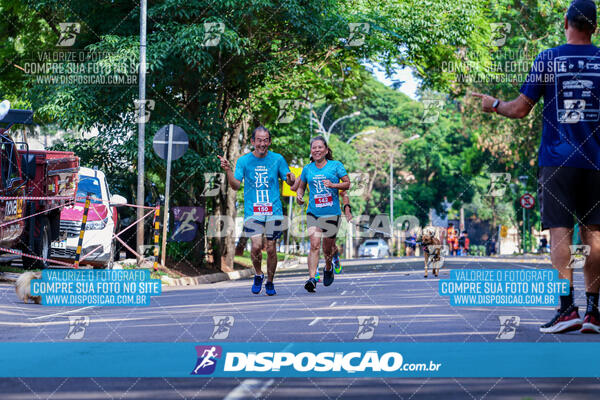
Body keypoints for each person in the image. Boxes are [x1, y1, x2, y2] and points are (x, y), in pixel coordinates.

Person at [472, 0, 600, 333]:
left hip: (557, 162)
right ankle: (594, 313)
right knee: (595, 235)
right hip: (597, 162)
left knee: (560, 234)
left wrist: (493, 104)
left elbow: (519, 110)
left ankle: (567, 309)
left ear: (565, 22)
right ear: (595, 28)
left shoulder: (548, 59)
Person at [219, 126, 295, 296]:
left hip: (274, 211)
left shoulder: (278, 159)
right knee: (255, 246)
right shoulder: (244, 161)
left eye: (266, 140)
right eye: (259, 140)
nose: (262, 143)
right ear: (253, 142)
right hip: (253, 211)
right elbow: (235, 185)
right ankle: (258, 274)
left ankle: (270, 281)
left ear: (269, 141)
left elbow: (289, 181)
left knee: (271, 248)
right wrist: (228, 170)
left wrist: (291, 179)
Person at [292, 136, 350, 292]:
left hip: (332, 213)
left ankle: (329, 267)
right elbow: (301, 187)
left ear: (325, 150)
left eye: (319, 147)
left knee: (327, 249)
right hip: (313, 213)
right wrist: (299, 196)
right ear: (311, 151)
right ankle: (311, 278)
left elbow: (347, 183)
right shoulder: (307, 169)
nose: (316, 150)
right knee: (314, 245)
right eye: (314, 148)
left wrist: (333, 185)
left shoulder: (335, 166)